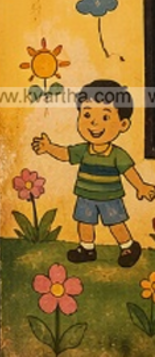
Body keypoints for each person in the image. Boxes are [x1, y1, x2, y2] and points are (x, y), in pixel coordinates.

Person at [32, 79, 155, 268]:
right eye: (87, 114)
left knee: (116, 224)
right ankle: (87, 248)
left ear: (123, 124)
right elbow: (66, 154)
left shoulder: (117, 154)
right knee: (84, 222)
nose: (94, 123)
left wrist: (141, 187)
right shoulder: (83, 150)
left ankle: (129, 246)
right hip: (85, 196)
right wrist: (49, 148)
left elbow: (129, 171)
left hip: (110, 198)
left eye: (105, 117)